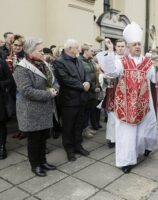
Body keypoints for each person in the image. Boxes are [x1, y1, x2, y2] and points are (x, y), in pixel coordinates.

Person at [97, 22, 158, 173]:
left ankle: (146, 148)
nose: (137, 47)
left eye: (139, 44)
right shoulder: (121, 61)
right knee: (126, 135)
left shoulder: (148, 62)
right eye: (134, 44)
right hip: (126, 105)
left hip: (144, 104)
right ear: (128, 47)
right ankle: (126, 161)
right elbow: (112, 73)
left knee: (145, 132)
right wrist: (109, 53)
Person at [13, 37, 58, 176]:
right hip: (31, 110)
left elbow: (53, 80)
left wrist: (55, 89)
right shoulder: (22, 68)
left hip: (44, 108)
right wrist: (48, 94)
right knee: (34, 140)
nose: (43, 54)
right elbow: (26, 91)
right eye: (40, 51)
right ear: (30, 51)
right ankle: (35, 165)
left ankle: (43, 161)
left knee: (43, 137)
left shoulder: (43, 64)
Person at [53, 39, 91, 161]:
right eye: (77, 48)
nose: (79, 50)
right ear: (70, 49)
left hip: (81, 99)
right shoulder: (59, 62)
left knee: (79, 124)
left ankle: (78, 146)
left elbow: (86, 74)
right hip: (69, 100)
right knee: (68, 126)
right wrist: (82, 86)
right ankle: (69, 149)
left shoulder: (78, 60)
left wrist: (88, 82)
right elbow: (65, 79)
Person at [99, 39, 126, 148]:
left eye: (122, 46)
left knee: (123, 116)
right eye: (118, 46)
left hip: (126, 90)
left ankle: (121, 137)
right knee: (112, 116)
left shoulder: (128, 59)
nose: (120, 48)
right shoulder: (111, 57)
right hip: (113, 90)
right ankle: (112, 139)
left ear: (125, 47)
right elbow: (106, 72)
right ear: (115, 47)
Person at [79, 43, 101, 139]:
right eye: (91, 51)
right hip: (86, 90)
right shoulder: (80, 61)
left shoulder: (90, 60)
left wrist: (97, 85)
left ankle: (87, 128)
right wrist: (92, 87)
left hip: (92, 89)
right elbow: (83, 77)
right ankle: (83, 130)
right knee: (84, 112)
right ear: (86, 51)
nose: (93, 52)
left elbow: (95, 75)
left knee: (88, 110)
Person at [0, 59, 14, 159]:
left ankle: (2, 147)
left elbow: (10, 79)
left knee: (0, 124)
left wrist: (1, 84)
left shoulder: (1, 62)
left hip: (0, 98)